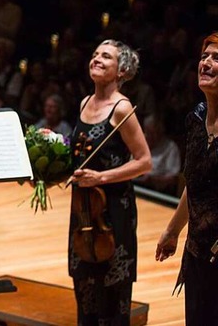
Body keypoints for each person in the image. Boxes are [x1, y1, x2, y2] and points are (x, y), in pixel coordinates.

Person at [68, 39, 152, 325]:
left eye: (106, 57)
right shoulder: (84, 103)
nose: (97, 59)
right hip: (82, 212)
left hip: (113, 212)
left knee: (112, 297)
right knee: (86, 292)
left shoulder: (121, 108)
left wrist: (101, 178)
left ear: (122, 71)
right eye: (94, 54)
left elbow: (144, 161)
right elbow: (80, 157)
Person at [155, 33, 218, 324]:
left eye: (216, 58)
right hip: (197, 250)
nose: (206, 63)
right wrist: (172, 230)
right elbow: (194, 185)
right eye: (204, 56)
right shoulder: (196, 118)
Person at [134, 114, 181, 195]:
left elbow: (173, 179)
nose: (153, 136)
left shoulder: (170, 147)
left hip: (159, 191)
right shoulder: (139, 143)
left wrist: (153, 180)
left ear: (161, 131)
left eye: (156, 132)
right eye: (150, 133)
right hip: (137, 185)